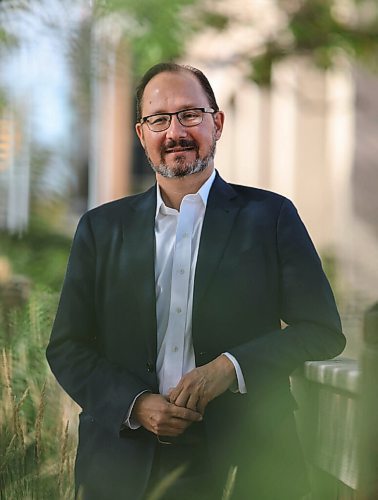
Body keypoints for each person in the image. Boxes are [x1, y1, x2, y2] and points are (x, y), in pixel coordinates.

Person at [46, 62, 346, 500]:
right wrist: (135, 404)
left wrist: (231, 367)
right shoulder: (100, 229)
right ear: (141, 135)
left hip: (247, 458)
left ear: (217, 123)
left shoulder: (272, 217)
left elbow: (321, 331)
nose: (175, 132)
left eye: (190, 114)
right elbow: (67, 347)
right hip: (122, 463)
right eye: (159, 119)